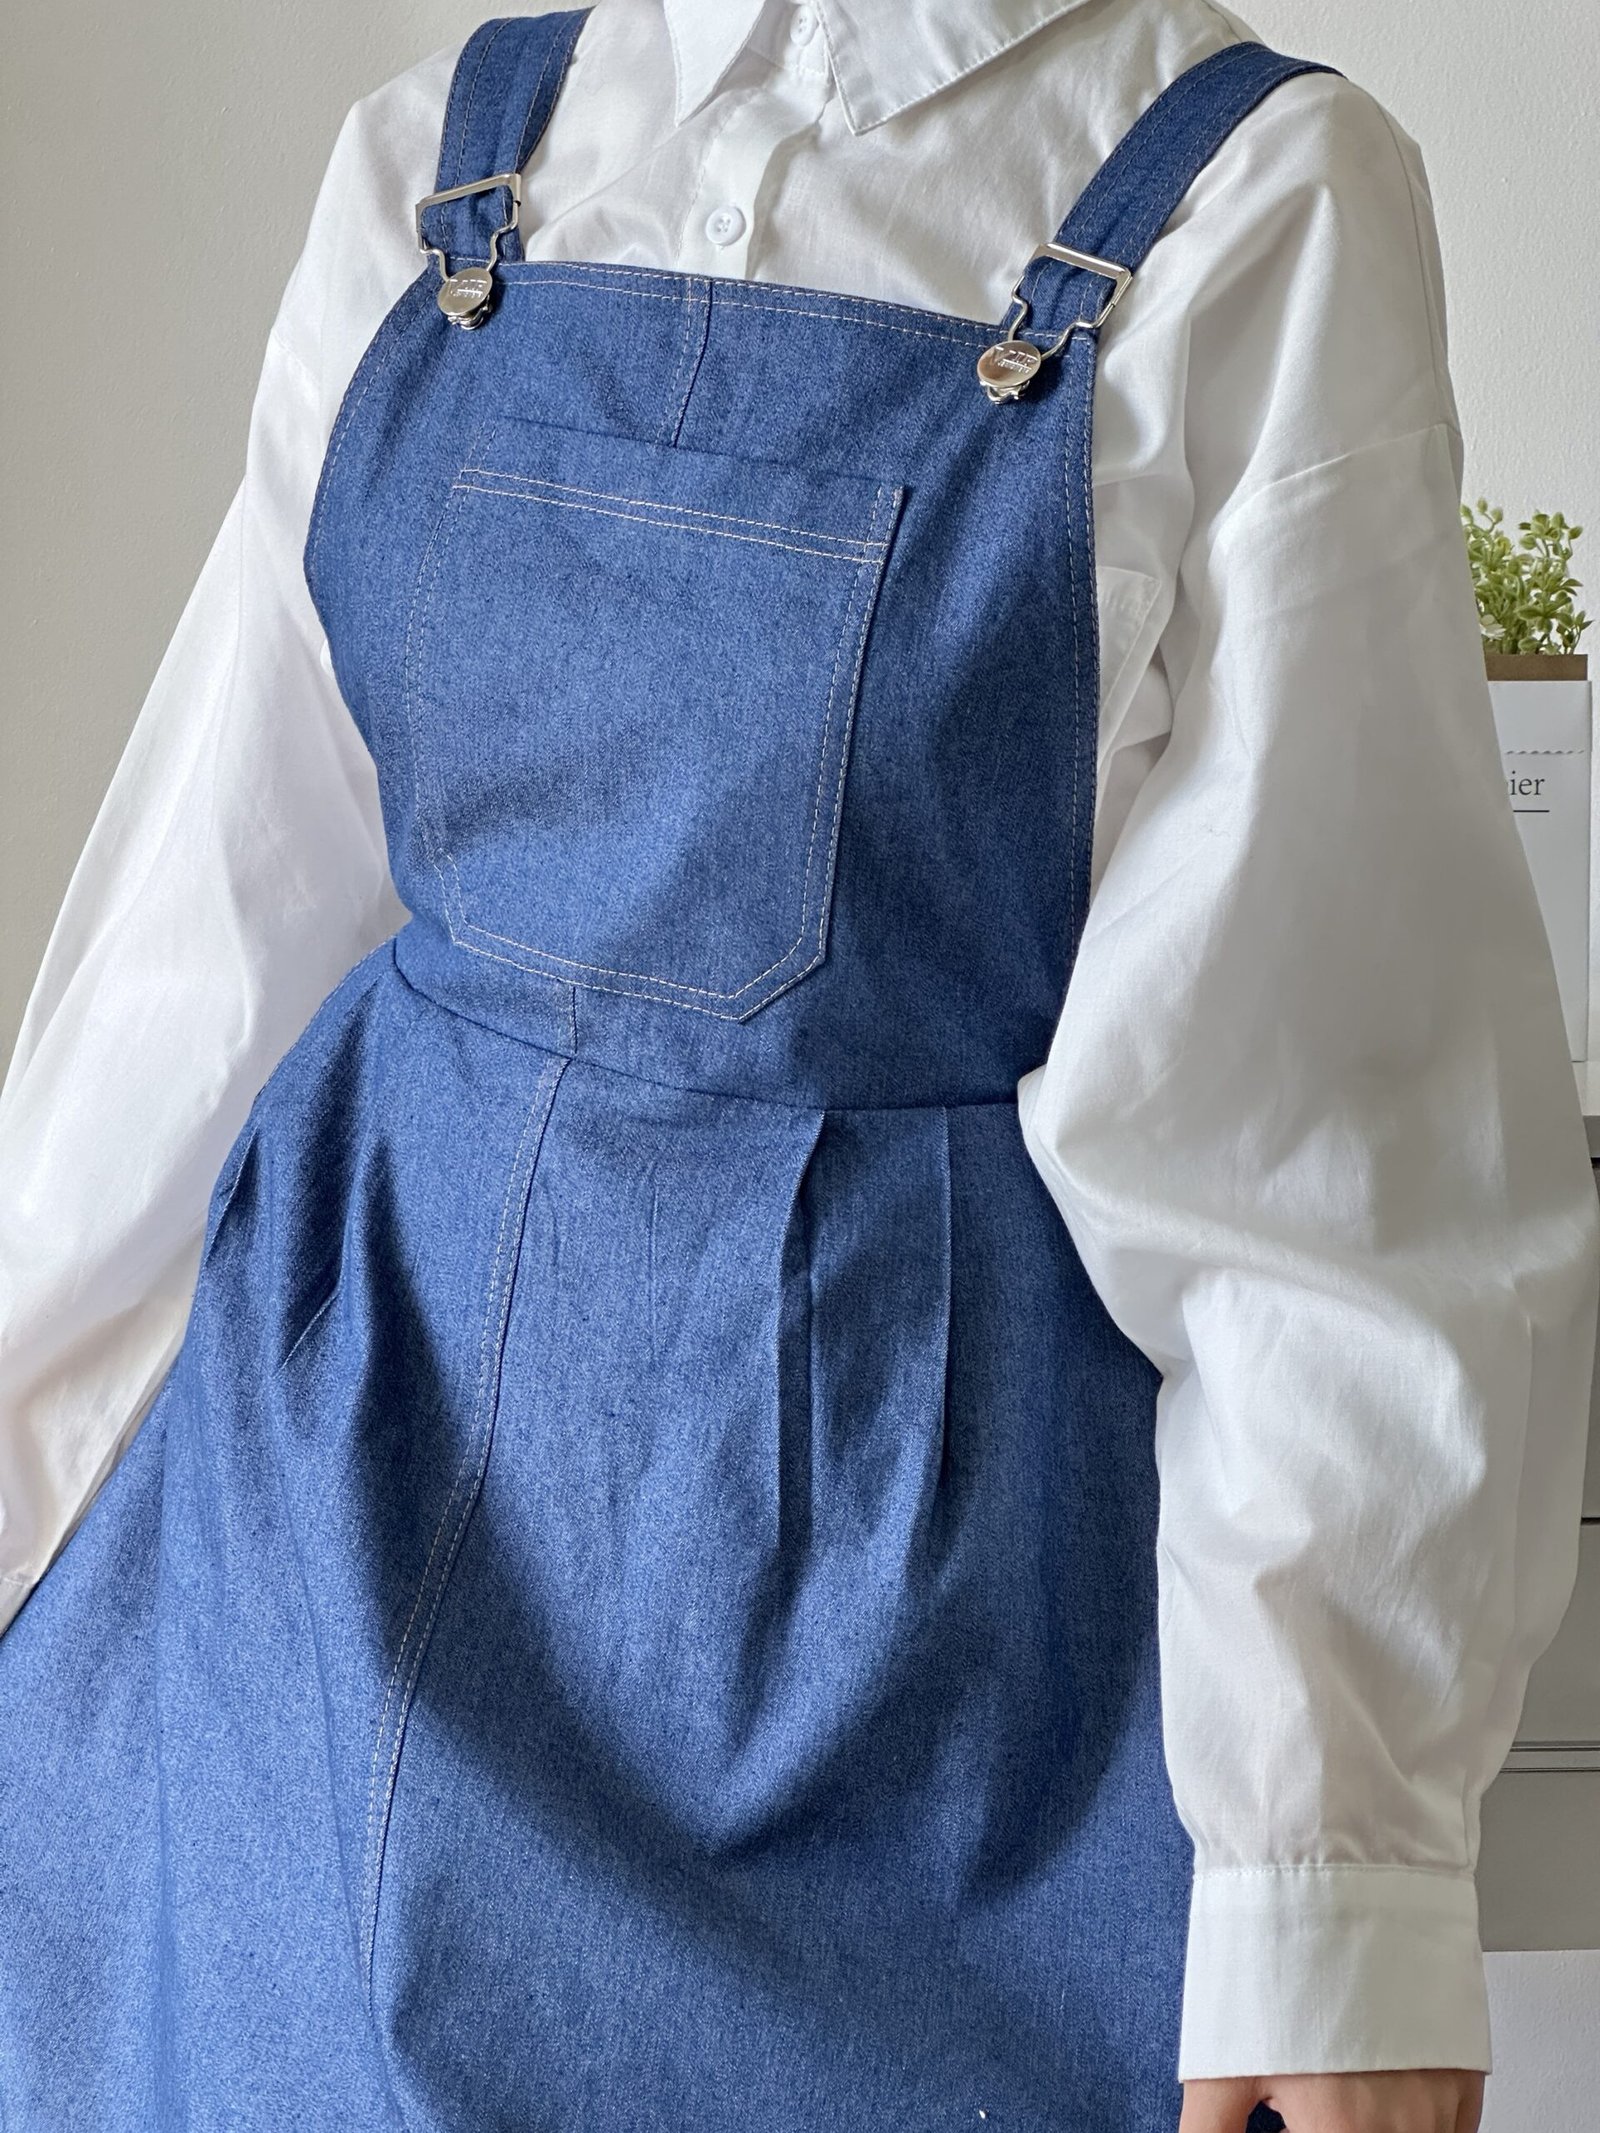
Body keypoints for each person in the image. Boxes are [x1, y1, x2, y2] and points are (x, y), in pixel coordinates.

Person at [0, 3, 1594, 2129]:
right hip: (304, 1587)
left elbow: (1324, 1101)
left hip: (901, 1714)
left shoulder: (1251, 197)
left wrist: (1335, 1876)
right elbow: (211, 924)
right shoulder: (440, 160)